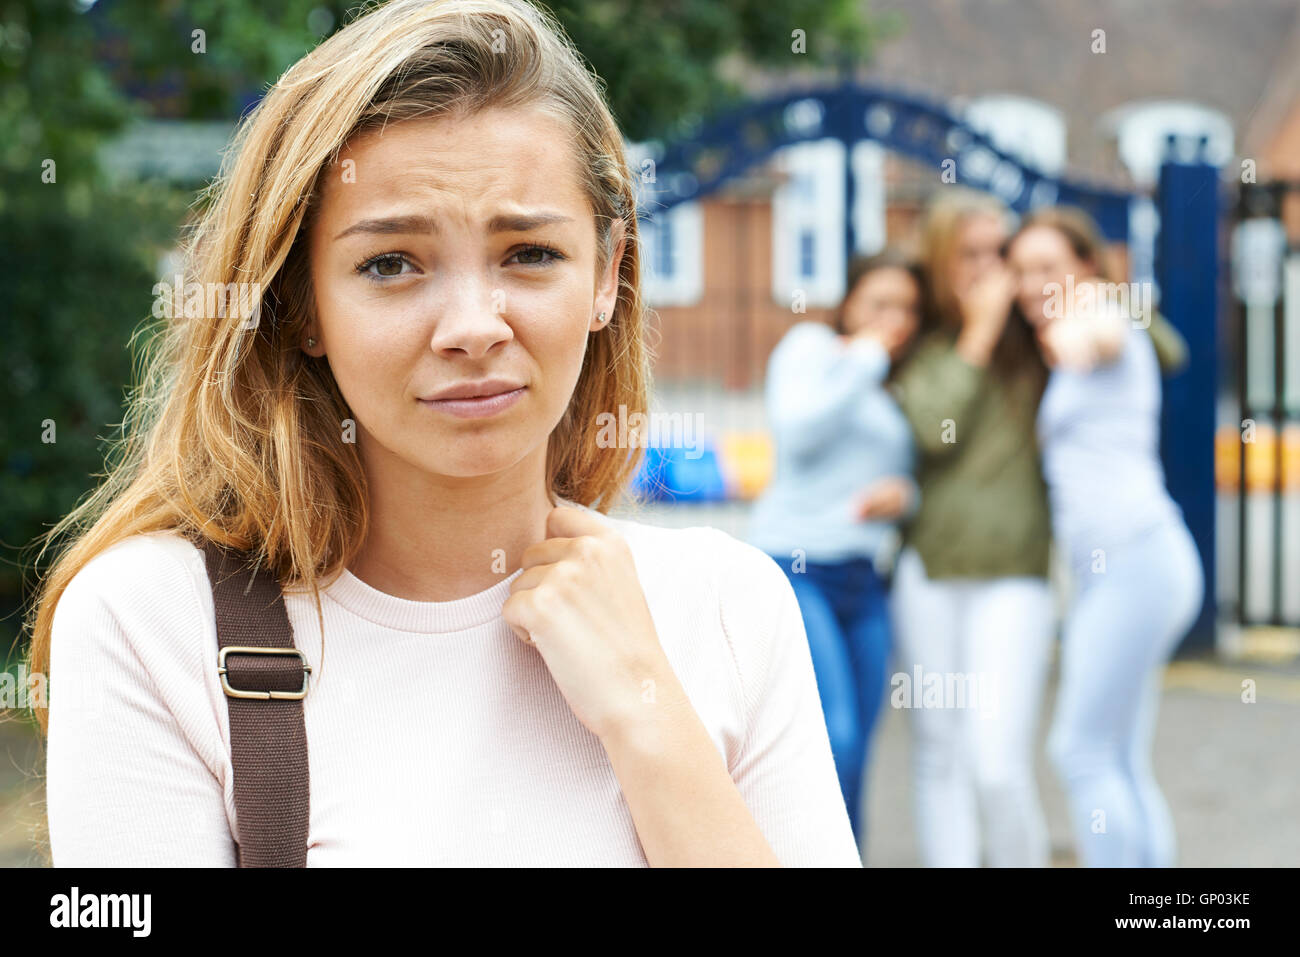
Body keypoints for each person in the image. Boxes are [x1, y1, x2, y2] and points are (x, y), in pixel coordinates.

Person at [27, 0, 862, 868]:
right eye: (390, 264)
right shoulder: (151, 623)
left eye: (529, 253)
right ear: (303, 303)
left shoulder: (731, 607)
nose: (473, 325)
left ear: (609, 274)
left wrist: (646, 717)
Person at [1004, 206, 1202, 868]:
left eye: (1047, 268)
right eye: (1021, 270)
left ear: (1086, 266)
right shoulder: (1069, 329)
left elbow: (1103, 336)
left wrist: (1082, 324)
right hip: (1121, 566)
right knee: (1117, 754)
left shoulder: (1101, 314)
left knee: (1079, 750)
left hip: (1134, 559)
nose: (1031, 284)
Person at [888, 189, 1057, 867]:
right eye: (972, 255)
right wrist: (975, 335)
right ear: (940, 259)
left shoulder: (1034, 339)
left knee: (995, 761)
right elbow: (933, 427)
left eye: (1000, 253)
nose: (991, 271)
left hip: (1013, 575)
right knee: (939, 751)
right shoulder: (922, 343)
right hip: (927, 572)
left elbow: (1161, 344)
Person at [747, 251, 923, 852]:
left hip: (864, 580)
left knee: (862, 748)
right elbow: (798, 430)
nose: (894, 320)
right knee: (833, 740)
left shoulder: (893, 386)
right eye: (880, 304)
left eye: (907, 309)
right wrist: (868, 353)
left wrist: (908, 496)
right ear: (849, 304)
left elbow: (902, 477)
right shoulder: (814, 350)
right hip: (797, 570)